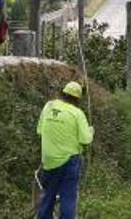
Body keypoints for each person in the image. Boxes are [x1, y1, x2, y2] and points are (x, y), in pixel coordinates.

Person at [36, 81, 94, 219]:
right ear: (77, 99)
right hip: (69, 162)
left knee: (47, 196)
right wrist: (91, 131)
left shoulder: (48, 106)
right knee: (68, 197)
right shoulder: (77, 113)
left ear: (63, 93)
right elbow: (85, 140)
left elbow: (39, 131)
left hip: (48, 161)